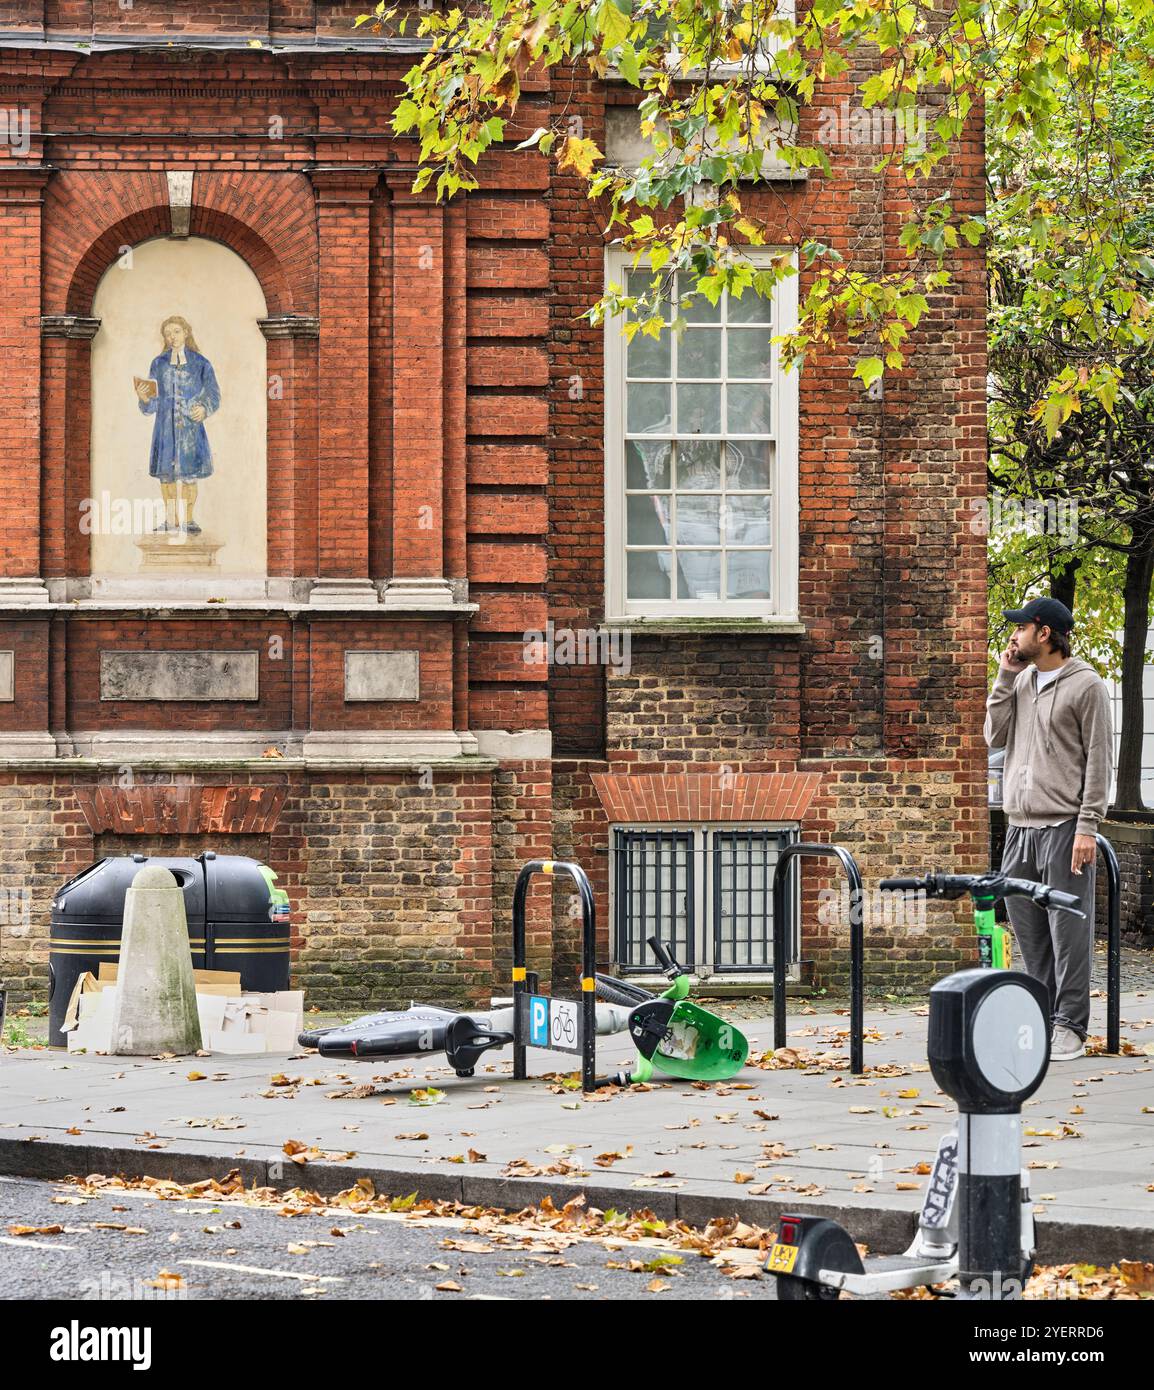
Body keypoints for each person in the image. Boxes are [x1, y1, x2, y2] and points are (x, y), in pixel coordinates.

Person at [984, 596, 1114, 1060]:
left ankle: (1070, 1028)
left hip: (1065, 828)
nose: (1013, 636)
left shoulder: (1087, 687)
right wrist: (1005, 676)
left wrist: (1087, 826)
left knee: (1069, 933)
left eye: (1022, 628)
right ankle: (1039, 1018)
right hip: (1018, 826)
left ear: (1044, 633)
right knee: (1030, 934)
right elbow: (993, 738)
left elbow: (1100, 762)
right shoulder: (1019, 683)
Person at [136, 315, 220, 534]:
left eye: (175, 331)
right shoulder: (158, 363)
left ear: (186, 332)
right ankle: (171, 521)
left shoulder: (201, 363)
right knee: (167, 476)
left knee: (190, 476)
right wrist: (144, 398)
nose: (171, 337)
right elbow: (151, 404)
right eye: (167, 333)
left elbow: (213, 394)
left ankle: (189, 520)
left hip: (191, 431)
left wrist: (204, 408)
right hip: (164, 431)